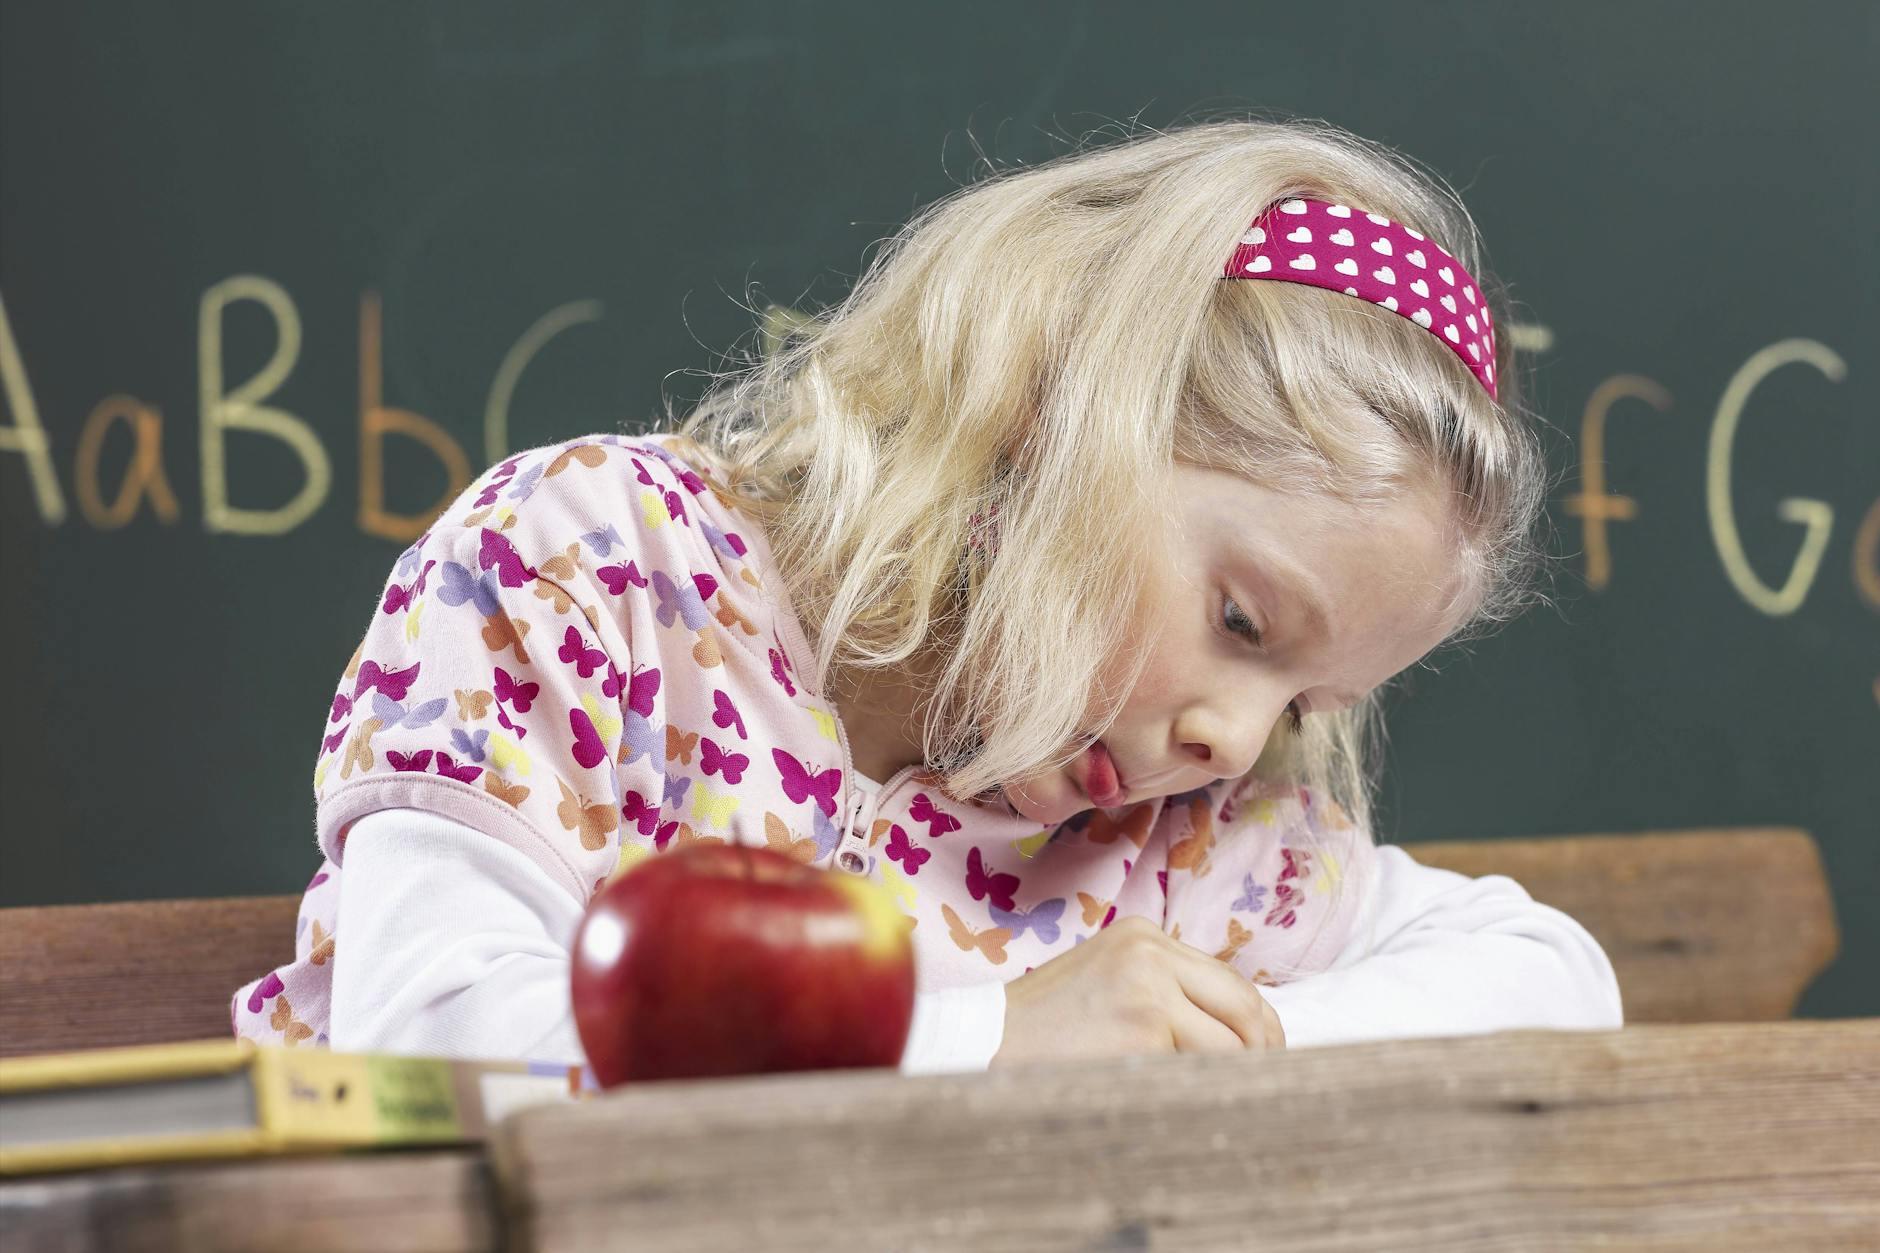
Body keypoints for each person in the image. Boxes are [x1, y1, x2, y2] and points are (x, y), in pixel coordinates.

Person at [232, 116, 1623, 1073]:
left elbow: (1556, 981)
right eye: (1243, 623)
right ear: (1052, 404)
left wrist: (1195, 1050)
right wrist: (999, 1045)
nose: (1239, 741)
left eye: (1311, 700)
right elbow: (428, 1036)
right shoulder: (593, 572)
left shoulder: (1190, 836)